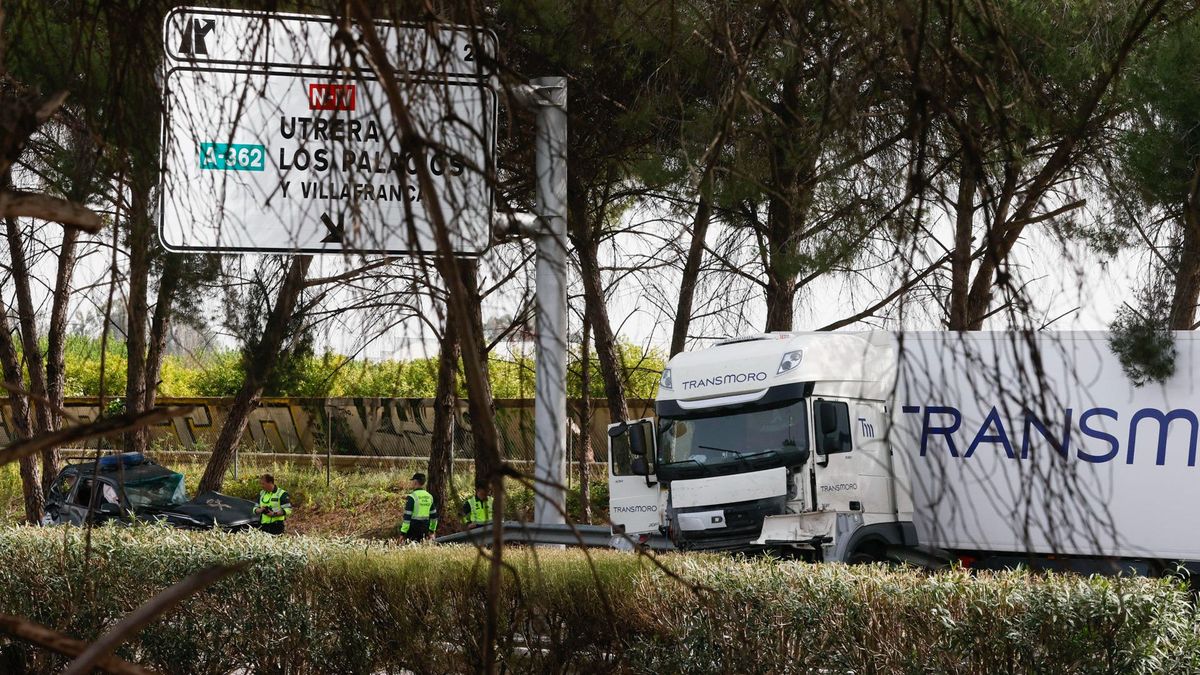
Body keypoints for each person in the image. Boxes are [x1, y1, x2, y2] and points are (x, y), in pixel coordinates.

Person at [400, 473, 438, 542]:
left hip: (413, 529)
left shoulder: (412, 497)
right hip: (425, 529)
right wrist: (432, 531)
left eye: (412, 481)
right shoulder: (429, 496)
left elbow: (407, 518)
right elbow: (434, 516)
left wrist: (402, 533)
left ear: (415, 482)